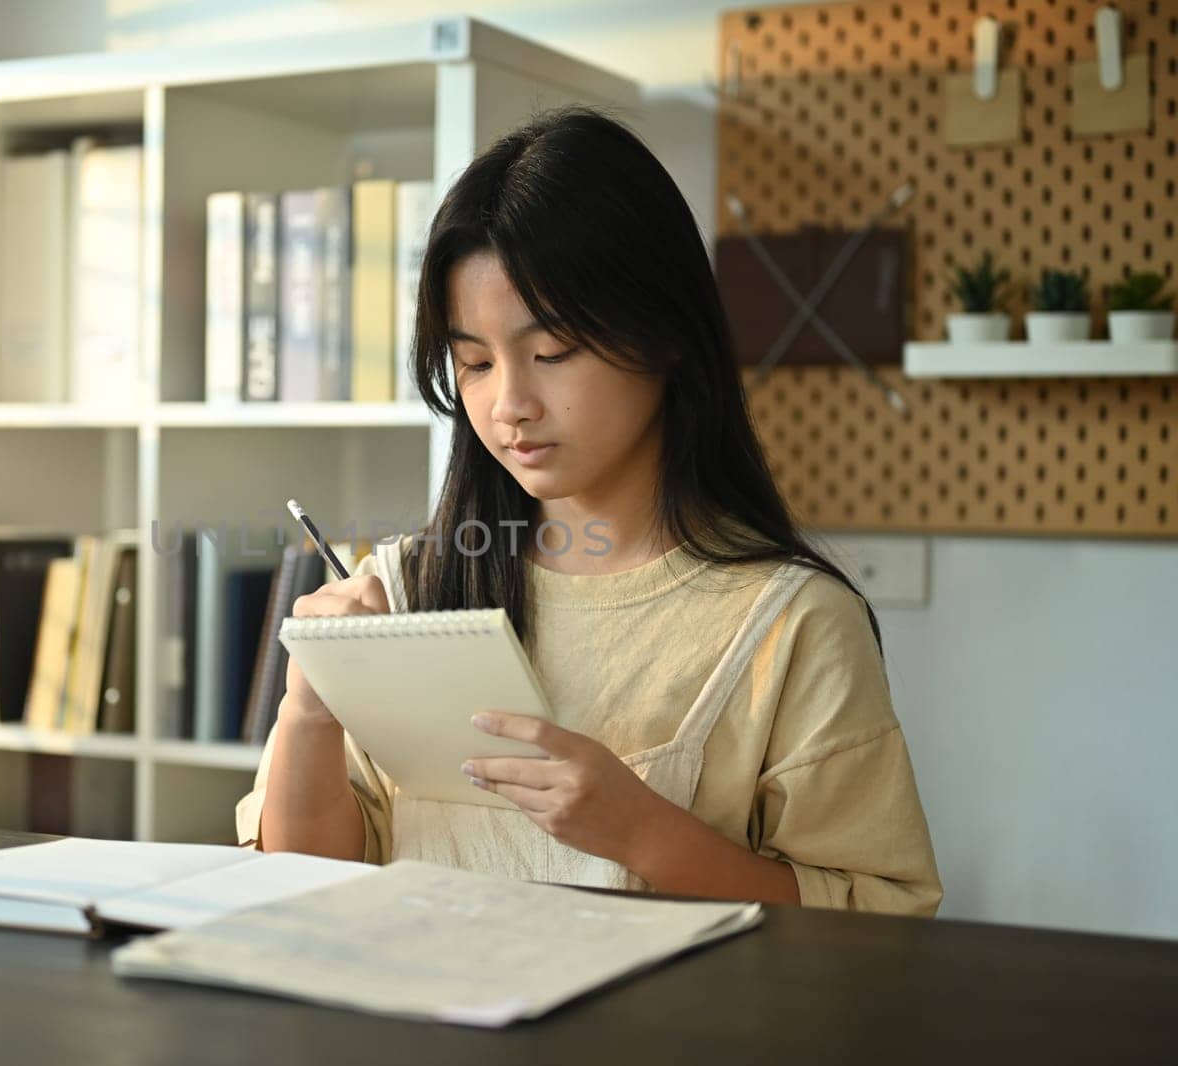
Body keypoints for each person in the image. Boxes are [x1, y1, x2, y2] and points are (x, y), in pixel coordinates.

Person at [236, 107, 941, 916]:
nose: (508, 405)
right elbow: (303, 888)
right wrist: (310, 710)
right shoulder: (403, 588)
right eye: (473, 362)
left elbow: (878, 929)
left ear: (664, 332)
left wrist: (644, 833)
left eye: (551, 354)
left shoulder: (793, 624)